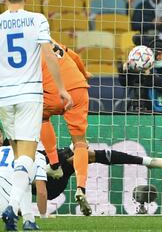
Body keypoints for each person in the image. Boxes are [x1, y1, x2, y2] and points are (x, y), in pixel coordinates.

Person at [0, 0, 73, 230]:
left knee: (19, 159)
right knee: (28, 157)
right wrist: (62, 89)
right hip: (29, 96)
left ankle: (29, 220)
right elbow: (49, 55)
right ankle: (11, 207)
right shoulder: (37, 20)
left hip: (3, 97)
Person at [40, 41, 92, 216]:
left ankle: (54, 164)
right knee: (80, 143)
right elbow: (76, 57)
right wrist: (85, 74)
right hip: (79, 88)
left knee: (41, 117)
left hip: (56, 93)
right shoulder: (52, 42)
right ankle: (81, 188)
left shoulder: (25, 51)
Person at [38, 146, 162, 201]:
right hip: (47, 182)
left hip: (52, 176)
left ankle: (149, 161)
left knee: (85, 154)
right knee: (82, 151)